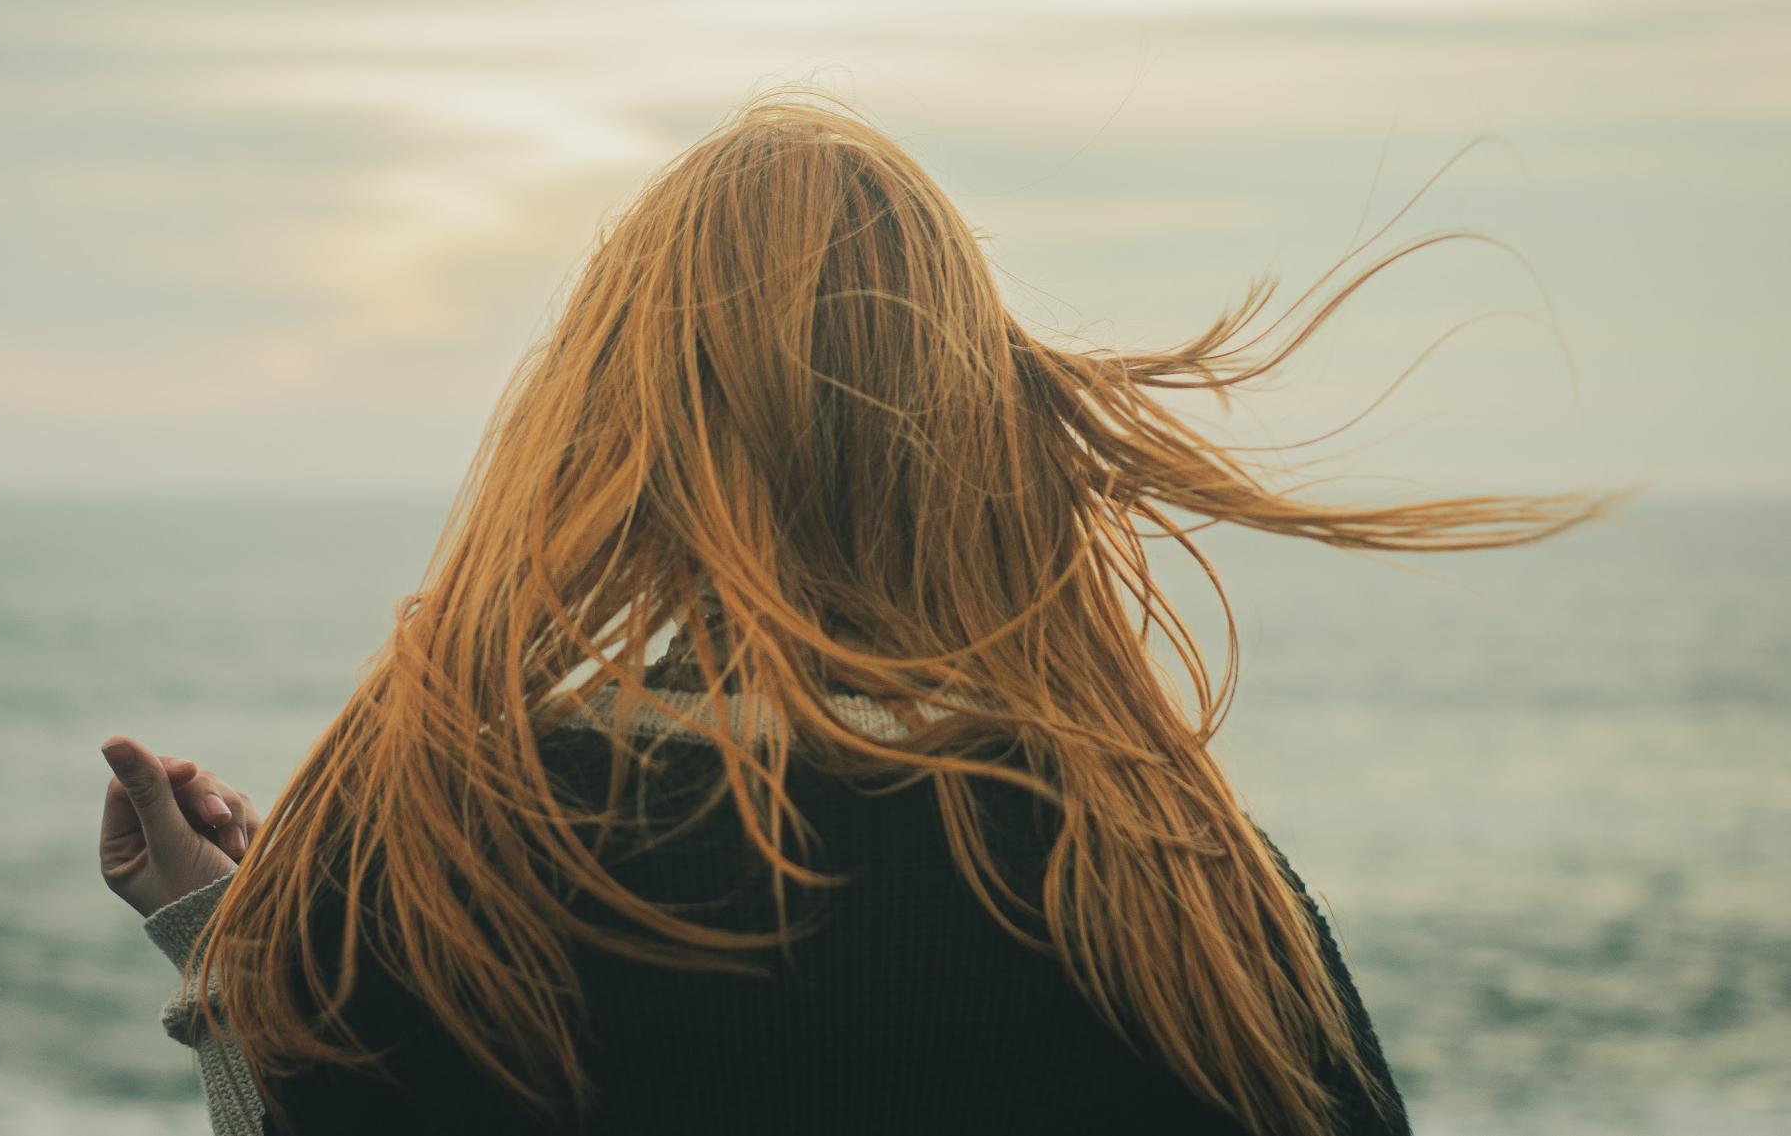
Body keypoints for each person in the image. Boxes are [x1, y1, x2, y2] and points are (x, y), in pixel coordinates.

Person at [97, 88, 1626, 1135]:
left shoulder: (442, 850)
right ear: (965, 418)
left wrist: (236, 945)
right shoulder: (1170, 877)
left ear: (630, 415)